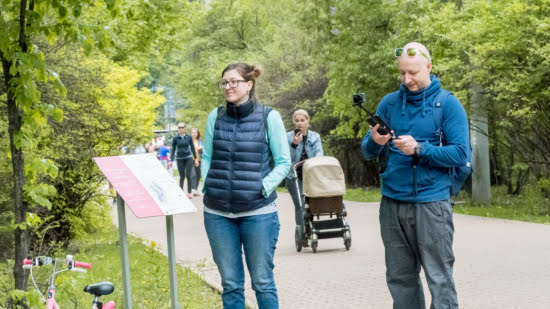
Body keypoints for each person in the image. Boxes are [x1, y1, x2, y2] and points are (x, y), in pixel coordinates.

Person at [361, 42, 467, 308]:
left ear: (429, 67)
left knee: (439, 278)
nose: (406, 79)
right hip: (392, 204)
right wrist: (376, 141)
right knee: (400, 278)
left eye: (413, 73)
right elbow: (367, 151)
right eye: (402, 73)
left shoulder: (448, 105)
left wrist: (420, 148)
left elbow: (460, 154)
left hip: (432, 204)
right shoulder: (389, 103)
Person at [201, 63, 290, 309]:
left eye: (233, 82)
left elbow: (283, 162)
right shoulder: (214, 116)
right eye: (224, 82)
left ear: (249, 85)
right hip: (218, 213)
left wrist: (263, 187)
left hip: (258, 212)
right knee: (230, 284)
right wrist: (207, 184)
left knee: (262, 282)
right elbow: (207, 156)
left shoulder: (268, 116)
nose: (228, 87)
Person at [285, 109, 324, 247]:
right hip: (294, 177)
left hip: (311, 176)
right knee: (300, 205)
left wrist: (314, 161)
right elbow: (285, 159)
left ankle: (311, 229)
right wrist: (294, 145)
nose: (300, 123)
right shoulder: (288, 137)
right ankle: (302, 233)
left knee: (311, 204)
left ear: (308, 121)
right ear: (294, 123)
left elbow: (320, 153)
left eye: (303, 120)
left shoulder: (315, 137)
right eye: (297, 121)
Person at [171, 122, 197, 199]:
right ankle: (181, 191)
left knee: (188, 175)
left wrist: (195, 158)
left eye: (182, 127)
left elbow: (192, 147)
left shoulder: (189, 137)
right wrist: (171, 160)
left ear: (185, 128)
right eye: (179, 127)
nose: (181, 129)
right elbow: (173, 149)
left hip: (188, 157)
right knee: (182, 176)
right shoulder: (175, 138)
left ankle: (189, 192)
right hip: (179, 158)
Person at [190, 128, 203, 196]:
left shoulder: (200, 142)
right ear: (190, 133)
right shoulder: (189, 141)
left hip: (199, 160)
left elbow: (203, 151)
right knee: (193, 174)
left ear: (197, 134)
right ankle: (193, 189)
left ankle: (195, 189)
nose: (194, 134)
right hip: (191, 160)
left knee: (198, 175)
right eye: (193, 132)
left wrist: (202, 148)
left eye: (195, 132)